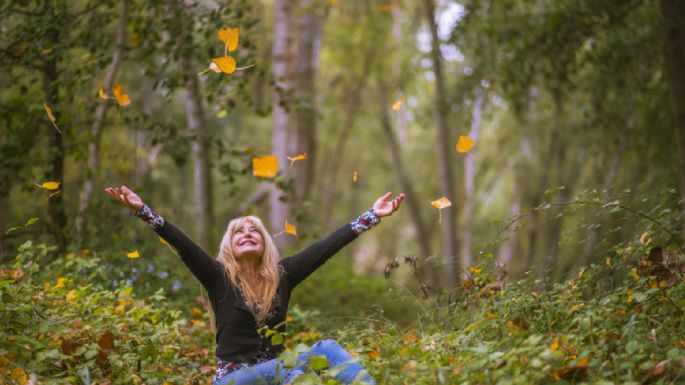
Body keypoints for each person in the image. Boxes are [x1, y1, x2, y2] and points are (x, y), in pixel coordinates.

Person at [104, 186, 405, 385]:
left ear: (264, 244)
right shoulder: (218, 277)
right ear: (229, 246)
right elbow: (182, 244)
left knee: (326, 350)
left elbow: (325, 248)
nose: (247, 234)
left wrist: (372, 216)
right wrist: (143, 210)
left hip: (278, 372)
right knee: (290, 371)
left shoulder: (282, 275)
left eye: (255, 231)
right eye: (239, 232)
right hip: (233, 380)